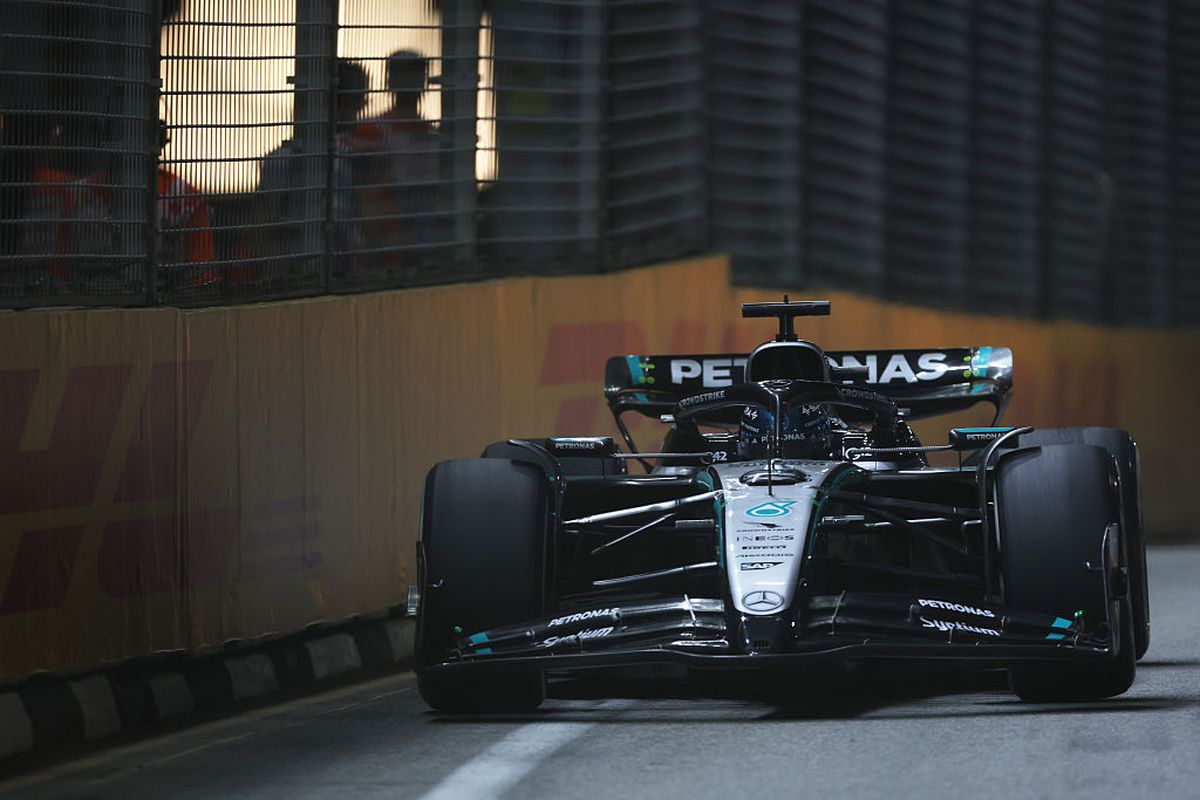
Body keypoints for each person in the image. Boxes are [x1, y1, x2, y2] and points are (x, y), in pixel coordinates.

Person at [360, 49, 440, 270]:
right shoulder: (372, 130)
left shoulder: (434, 135)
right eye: (404, 73)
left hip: (429, 238)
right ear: (390, 80)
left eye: (417, 72)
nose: (412, 80)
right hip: (389, 236)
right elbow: (368, 191)